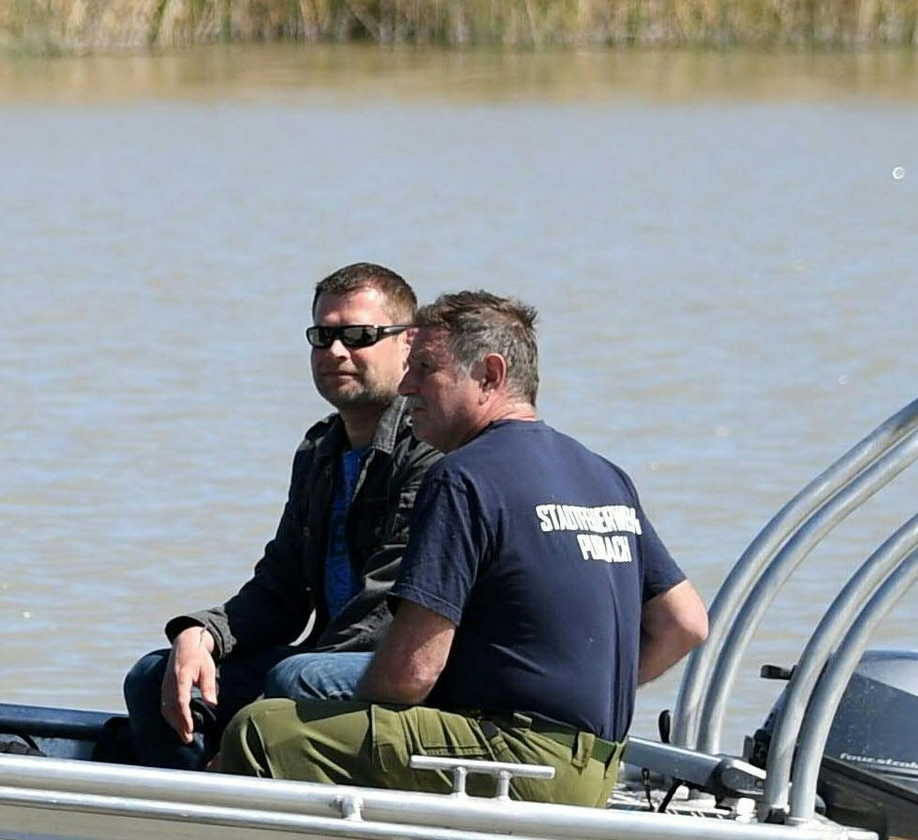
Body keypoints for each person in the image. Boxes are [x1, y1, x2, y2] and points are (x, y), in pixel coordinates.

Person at [216, 293, 710, 807]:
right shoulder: (604, 474)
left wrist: (340, 722)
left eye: (426, 369)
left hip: (519, 762)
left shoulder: (464, 477)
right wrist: (575, 697)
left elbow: (411, 673)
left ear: (490, 375)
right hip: (597, 766)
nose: (407, 388)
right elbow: (686, 623)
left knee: (264, 728)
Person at [118, 263, 439, 768]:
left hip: (387, 672)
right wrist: (202, 634)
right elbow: (280, 590)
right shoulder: (319, 450)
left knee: (284, 684)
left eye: (359, 335)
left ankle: (233, 795)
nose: (336, 351)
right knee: (155, 676)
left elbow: (384, 610)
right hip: (316, 661)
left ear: (409, 344)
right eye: (322, 335)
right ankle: (204, 814)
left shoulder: (430, 451)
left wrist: (287, 685)